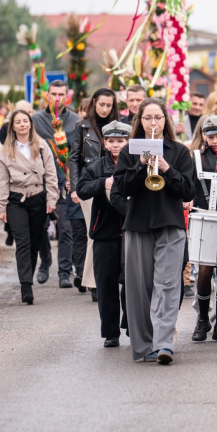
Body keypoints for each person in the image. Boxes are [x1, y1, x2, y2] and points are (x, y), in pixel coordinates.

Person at [111, 98, 196, 365]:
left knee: (168, 285)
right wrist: (140, 165)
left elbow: (188, 191)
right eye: (147, 118)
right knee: (140, 289)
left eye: (158, 118)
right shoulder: (129, 150)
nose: (153, 123)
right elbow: (121, 188)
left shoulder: (179, 151)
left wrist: (166, 168)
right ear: (140, 121)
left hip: (170, 223)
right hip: (138, 225)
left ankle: (163, 343)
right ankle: (144, 345)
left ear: (165, 120)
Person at [0, 109, 59, 305]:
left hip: (38, 197)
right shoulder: (6, 150)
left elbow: (51, 174)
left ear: (30, 124)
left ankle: (28, 276)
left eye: (25, 121)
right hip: (16, 200)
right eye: (18, 122)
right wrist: (1, 207)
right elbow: (1, 181)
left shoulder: (42, 146)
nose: (22, 124)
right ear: (12, 127)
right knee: (22, 241)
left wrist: (52, 199)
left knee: (34, 242)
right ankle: (26, 285)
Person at [76, 120, 131, 345]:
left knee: (131, 284)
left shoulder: (134, 164)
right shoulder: (96, 167)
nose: (116, 145)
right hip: (104, 234)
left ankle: (132, 326)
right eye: (112, 141)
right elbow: (81, 189)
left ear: (128, 142)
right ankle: (110, 333)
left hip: (130, 232)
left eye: (121, 141)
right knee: (106, 285)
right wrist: (102, 183)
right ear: (105, 143)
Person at [32, 81, 83, 289]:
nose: (57, 98)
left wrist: (73, 180)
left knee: (66, 228)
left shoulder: (75, 121)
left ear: (67, 96)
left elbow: (77, 154)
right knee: (40, 227)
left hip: (65, 183)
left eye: (61, 94)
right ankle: (45, 261)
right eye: (53, 94)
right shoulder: (36, 120)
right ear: (47, 95)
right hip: (40, 182)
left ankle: (64, 271)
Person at [189, 115, 217, 342]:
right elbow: (189, 186)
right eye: (211, 136)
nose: (215, 141)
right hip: (204, 217)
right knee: (205, 270)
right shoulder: (196, 157)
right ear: (204, 136)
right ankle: (202, 320)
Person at [71, 88, 120, 298]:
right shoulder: (82, 127)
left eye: (109, 105)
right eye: (101, 104)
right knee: (94, 231)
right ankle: (94, 282)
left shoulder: (119, 126)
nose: (105, 109)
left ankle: (108, 277)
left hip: (116, 181)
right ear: (94, 103)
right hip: (91, 183)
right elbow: (74, 157)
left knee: (113, 231)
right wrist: (75, 187)